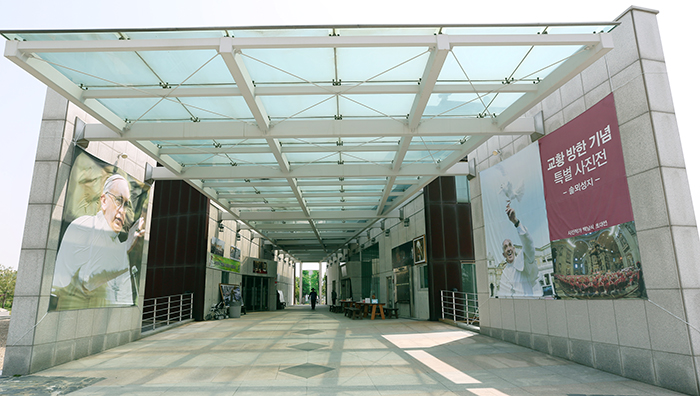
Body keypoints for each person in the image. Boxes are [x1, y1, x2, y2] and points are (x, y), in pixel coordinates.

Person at [53, 174, 145, 310]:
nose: (122, 211)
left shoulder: (117, 243)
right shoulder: (84, 227)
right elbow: (86, 281)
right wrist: (124, 249)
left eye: (126, 205)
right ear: (104, 201)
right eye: (119, 201)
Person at [497, 203, 542, 298]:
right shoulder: (504, 274)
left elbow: (529, 246)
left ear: (514, 249)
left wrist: (516, 222)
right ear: (504, 254)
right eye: (505, 247)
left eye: (510, 245)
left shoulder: (522, 261)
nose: (508, 248)